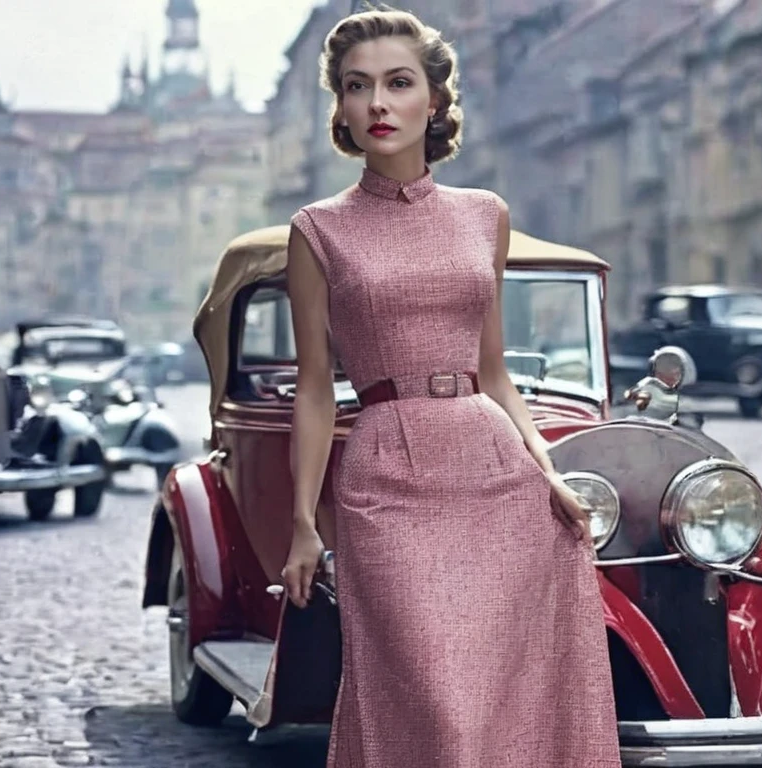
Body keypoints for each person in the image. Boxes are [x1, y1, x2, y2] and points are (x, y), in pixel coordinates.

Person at [278, 8, 622, 768]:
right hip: (383, 479)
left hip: (495, 470)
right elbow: (312, 390)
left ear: (434, 101)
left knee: (507, 697)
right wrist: (305, 522)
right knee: (432, 701)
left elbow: (492, 370)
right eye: (356, 86)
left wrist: (548, 470)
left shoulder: (484, 216)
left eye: (399, 83)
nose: (378, 104)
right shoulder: (317, 230)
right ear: (339, 105)